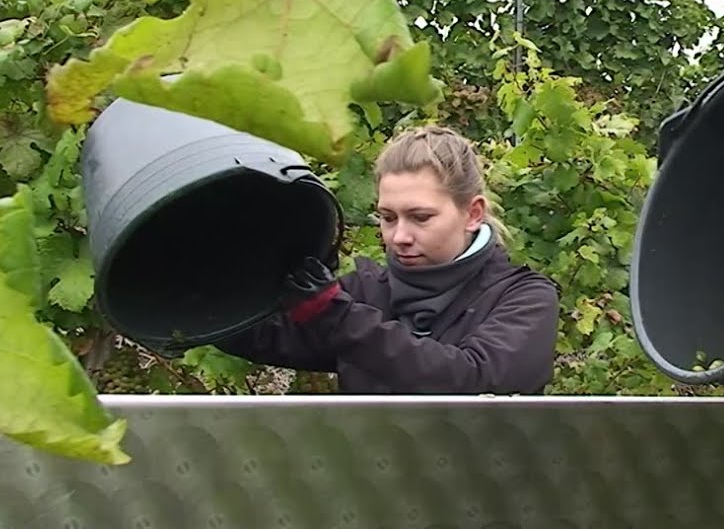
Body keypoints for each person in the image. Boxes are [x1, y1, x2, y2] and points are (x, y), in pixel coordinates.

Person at [217, 125, 561, 395]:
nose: (399, 236)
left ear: (472, 213)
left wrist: (335, 317)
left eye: (421, 217)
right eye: (388, 217)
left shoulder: (523, 298)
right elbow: (265, 335)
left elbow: (474, 381)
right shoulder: (366, 293)